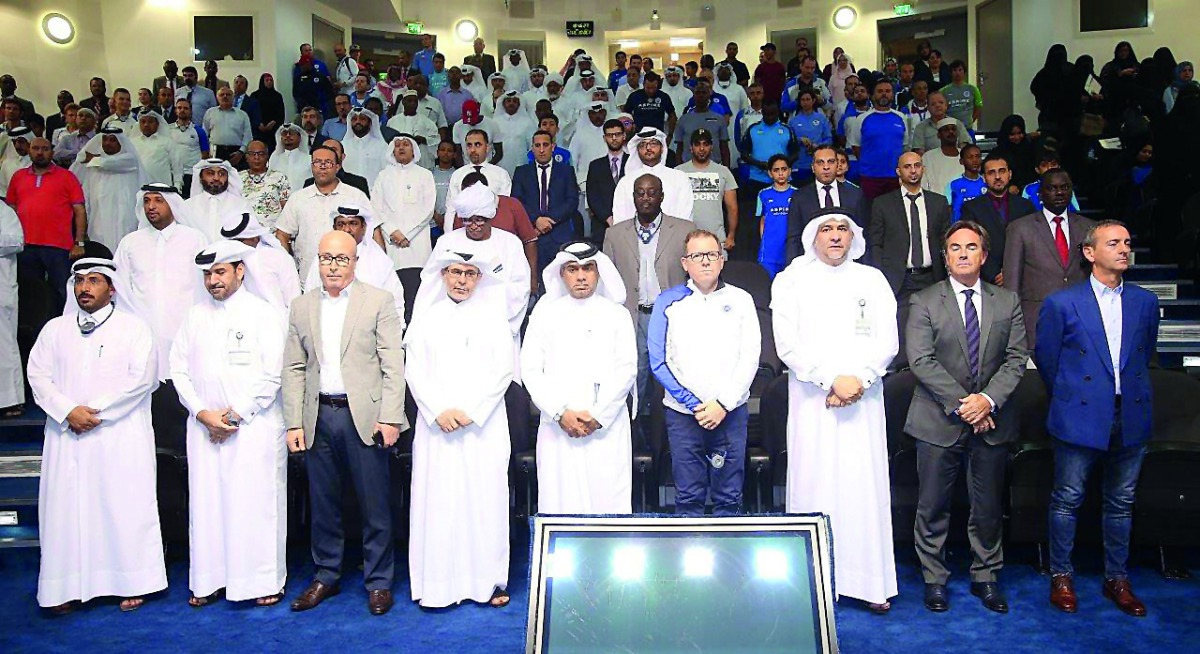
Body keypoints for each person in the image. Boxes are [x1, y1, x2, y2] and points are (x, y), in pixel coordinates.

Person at [772, 209, 898, 613]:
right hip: (813, 402)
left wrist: (857, 380)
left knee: (864, 486)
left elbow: (888, 342)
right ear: (812, 237)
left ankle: (869, 583)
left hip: (864, 399)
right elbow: (787, 345)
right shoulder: (792, 280)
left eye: (843, 228)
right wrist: (830, 380)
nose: (835, 236)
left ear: (853, 237)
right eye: (826, 229)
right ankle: (813, 584)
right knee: (816, 482)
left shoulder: (871, 280)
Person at [1034, 220, 1158, 618]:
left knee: (1121, 502)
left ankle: (1117, 578)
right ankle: (1062, 576)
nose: (1124, 248)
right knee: (1067, 499)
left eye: (1127, 241)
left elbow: (1145, 354)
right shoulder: (1062, 303)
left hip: (1131, 413)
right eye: (1113, 243)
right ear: (1089, 253)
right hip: (1079, 414)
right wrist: (1073, 398)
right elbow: (1048, 360)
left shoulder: (1145, 301)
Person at [29, 257, 166, 614]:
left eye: (93, 280)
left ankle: (131, 581)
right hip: (66, 434)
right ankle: (66, 587)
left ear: (112, 288)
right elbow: (38, 376)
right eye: (79, 281)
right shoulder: (54, 330)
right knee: (66, 510)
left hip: (118, 435)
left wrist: (95, 412)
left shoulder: (134, 328)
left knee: (121, 505)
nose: (84, 288)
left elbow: (143, 379)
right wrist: (67, 410)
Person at [906, 220, 1029, 614]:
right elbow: (921, 361)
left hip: (992, 420)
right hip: (938, 420)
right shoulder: (924, 300)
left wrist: (987, 401)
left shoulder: (1006, 300)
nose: (962, 254)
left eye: (971, 247)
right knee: (932, 504)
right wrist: (967, 405)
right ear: (944, 257)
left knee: (988, 505)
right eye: (955, 248)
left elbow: (1016, 359)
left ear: (984, 254)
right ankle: (934, 578)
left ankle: (986, 575)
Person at [284, 229, 405, 616]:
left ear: (355, 262)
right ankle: (326, 574)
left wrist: (390, 417)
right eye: (326, 258)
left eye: (341, 259)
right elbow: (294, 367)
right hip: (318, 416)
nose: (333, 266)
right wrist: (293, 423)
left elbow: (392, 365)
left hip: (366, 419)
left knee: (375, 505)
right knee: (323, 504)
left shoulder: (379, 301)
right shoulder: (301, 306)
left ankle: (380, 581)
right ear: (317, 261)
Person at [169, 240, 287, 608]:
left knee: (254, 506)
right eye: (207, 274)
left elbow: (273, 375)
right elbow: (178, 369)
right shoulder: (194, 316)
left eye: (219, 272)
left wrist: (233, 415)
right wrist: (204, 414)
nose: (212, 281)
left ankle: (262, 582)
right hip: (204, 428)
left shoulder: (264, 313)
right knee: (207, 506)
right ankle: (209, 580)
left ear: (240, 271)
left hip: (253, 429)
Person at [405, 248, 514, 609]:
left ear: (480, 278)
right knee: (438, 503)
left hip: (482, 427)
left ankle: (488, 583)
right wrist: (438, 410)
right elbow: (414, 371)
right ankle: (437, 586)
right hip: (437, 428)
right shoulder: (425, 318)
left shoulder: (493, 318)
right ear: (443, 275)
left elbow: (504, 371)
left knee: (484, 502)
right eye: (456, 273)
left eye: (470, 274)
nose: (462, 281)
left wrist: (472, 411)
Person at [649, 229, 759, 516]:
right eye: (697, 255)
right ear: (685, 263)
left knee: (728, 496)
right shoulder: (668, 302)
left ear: (722, 260)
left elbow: (749, 356)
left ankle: (729, 559)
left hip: (730, 412)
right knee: (688, 496)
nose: (705, 261)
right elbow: (659, 361)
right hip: (684, 415)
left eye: (711, 254)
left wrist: (722, 404)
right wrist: (695, 405)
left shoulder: (741, 300)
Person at [523, 242, 635, 514]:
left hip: (605, 427)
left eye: (588, 269)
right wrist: (561, 413)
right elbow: (530, 370)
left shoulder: (617, 315)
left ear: (599, 273)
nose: (581, 276)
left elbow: (627, 369)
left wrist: (598, 414)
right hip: (558, 427)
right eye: (573, 269)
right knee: (561, 504)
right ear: (562, 274)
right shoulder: (544, 313)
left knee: (608, 503)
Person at [112, 185, 206, 450]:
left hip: (183, 333)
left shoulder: (195, 239)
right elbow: (119, 288)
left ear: (173, 205)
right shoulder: (130, 242)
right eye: (147, 201)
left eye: (158, 200)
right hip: (144, 336)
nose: (151, 206)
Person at [603, 174, 690, 421]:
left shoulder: (684, 230)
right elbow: (607, 282)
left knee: (671, 374)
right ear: (633, 198)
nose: (646, 198)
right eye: (640, 193)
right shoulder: (615, 234)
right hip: (633, 316)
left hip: (670, 316)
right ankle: (635, 434)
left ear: (662, 196)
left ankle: (667, 436)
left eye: (652, 193)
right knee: (635, 375)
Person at [870, 151, 950, 366]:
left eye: (917, 165)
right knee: (900, 332)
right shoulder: (883, 204)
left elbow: (946, 243)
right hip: (899, 279)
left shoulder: (939, 203)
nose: (913, 170)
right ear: (899, 171)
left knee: (936, 330)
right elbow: (875, 244)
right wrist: (881, 277)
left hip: (932, 277)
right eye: (907, 166)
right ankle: (903, 377)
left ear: (923, 169)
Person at [1002, 169, 1092, 347]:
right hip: (1036, 319)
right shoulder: (1020, 228)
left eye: (1064, 187)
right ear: (1040, 194)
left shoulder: (1088, 227)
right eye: (1052, 188)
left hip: (1081, 317)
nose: (1059, 192)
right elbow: (1012, 283)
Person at [7, 137, 86, 316]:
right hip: (25, 246)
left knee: (62, 291)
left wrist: (79, 243)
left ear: (52, 151)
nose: (40, 153)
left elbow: (79, 210)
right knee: (30, 292)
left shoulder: (67, 177)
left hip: (58, 247)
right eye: (36, 148)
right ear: (29, 151)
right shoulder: (18, 176)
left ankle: (65, 326)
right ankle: (33, 331)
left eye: (45, 149)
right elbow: (10, 209)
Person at [275, 145, 371, 279]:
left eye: (328, 162)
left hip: (350, 277)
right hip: (307, 276)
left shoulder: (355, 196)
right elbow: (282, 234)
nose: (322, 166)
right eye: (317, 162)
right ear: (312, 166)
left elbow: (371, 232)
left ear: (337, 167)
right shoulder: (298, 198)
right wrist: (287, 267)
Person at [302, 205, 406, 324]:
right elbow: (310, 297)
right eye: (341, 224)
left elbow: (394, 301)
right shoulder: (321, 259)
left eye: (353, 223)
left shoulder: (380, 261)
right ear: (334, 228)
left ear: (364, 227)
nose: (347, 229)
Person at [512, 131, 579, 276]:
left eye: (545, 145)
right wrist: (536, 219)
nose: (541, 150)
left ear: (553, 147)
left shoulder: (566, 171)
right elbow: (517, 201)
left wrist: (548, 221)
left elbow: (572, 200)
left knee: (562, 279)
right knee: (534, 279)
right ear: (532, 148)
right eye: (537, 145)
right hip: (531, 233)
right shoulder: (521, 172)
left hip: (560, 233)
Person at [785, 145, 867, 261]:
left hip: (848, 265)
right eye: (820, 162)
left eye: (831, 162)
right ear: (813, 167)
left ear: (837, 165)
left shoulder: (855, 195)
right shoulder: (799, 197)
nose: (826, 167)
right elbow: (793, 238)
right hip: (812, 266)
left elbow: (863, 235)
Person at [960, 155, 1032, 286]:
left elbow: (1032, 244)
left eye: (1002, 171)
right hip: (987, 280)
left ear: (1010, 174)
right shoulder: (971, 208)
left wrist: (1012, 272)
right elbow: (972, 244)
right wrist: (993, 273)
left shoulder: (1026, 206)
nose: (997, 176)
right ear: (984, 178)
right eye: (991, 172)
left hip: (1023, 278)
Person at [71, 127, 144, 251]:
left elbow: (110, 163)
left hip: (124, 214)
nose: (107, 143)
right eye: (104, 139)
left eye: (112, 140)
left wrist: (93, 159)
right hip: (98, 215)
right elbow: (87, 191)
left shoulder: (129, 160)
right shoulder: (94, 165)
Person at [374, 135, 436, 272]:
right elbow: (376, 207)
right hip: (391, 240)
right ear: (392, 151)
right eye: (397, 145)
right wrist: (392, 231)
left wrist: (407, 234)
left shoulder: (425, 175)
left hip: (418, 241)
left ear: (414, 150)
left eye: (406, 144)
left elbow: (428, 209)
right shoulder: (383, 176)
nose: (401, 147)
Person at [220, 210, 302, 311]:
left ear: (254, 237)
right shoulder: (228, 262)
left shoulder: (279, 258)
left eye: (240, 241)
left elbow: (293, 299)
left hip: (276, 321)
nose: (235, 246)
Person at [611, 128, 693, 224]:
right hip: (633, 237)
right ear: (637, 150)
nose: (648, 148)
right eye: (643, 145)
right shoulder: (626, 182)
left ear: (662, 148)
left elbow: (685, 216)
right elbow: (620, 219)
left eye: (653, 143)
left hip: (672, 237)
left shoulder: (679, 178)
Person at [677, 129, 738, 251]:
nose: (701, 148)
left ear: (711, 147)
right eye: (697, 144)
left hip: (717, 239)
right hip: (686, 239)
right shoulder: (678, 172)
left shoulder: (724, 172)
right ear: (691, 147)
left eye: (705, 144)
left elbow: (732, 208)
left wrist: (731, 236)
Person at [847, 79, 908, 200]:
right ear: (873, 95)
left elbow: (905, 146)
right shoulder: (862, 119)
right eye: (880, 91)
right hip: (870, 177)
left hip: (895, 176)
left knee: (893, 215)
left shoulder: (901, 118)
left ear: (892, 94)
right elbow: (856, 146)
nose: (884, 94)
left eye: (887, 91)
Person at [443, 130, 512, 225]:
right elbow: (451, 209)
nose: (472, 150)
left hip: (493, 230)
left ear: (487, 148)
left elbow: (504, 209)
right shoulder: (457, 175)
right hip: (463, 231)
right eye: (469, 145)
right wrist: (449, 236)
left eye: (478, 145)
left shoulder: (501, 174)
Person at [585, 119, 629, 244]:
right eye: (610, 135)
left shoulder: (633, 163)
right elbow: (592, 196)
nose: (614, 138)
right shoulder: (595, 165)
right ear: (604, 138)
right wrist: (608, 218)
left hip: (629, 222)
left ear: (624, 136)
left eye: (618, 134)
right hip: (602, 224)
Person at [184, 158, 248, 242]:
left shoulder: (241, 205)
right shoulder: (187, 206)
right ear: (200, 177)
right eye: (210, 173)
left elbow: (251, 236)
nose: (216, 178)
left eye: (222, 174)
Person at [756, 154, 796, 277]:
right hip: (769, 250)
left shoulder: (797, 194)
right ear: (770, 173)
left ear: (789, 171)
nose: (780, 173)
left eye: (784, 169)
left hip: (790, 249)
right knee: (768, 285)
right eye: (776, 170)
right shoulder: (763, 194)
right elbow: (762, 220)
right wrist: (764, 242)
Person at [673, 80, 730, 165]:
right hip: (688, 168)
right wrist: (677, 170)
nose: (701, 95)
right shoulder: (684, 120)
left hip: (714, 167)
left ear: (709, 94)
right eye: (698, 93)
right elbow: (679, 148)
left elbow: (724, 147)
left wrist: (726, 170)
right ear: (694, 95)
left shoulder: (719, 119)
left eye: (704, 93)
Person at [239, 141, 290, 231]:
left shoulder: (279, 177)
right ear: (246, 157)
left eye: (261, 154)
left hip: (272, 232)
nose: (256, 157)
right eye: (252, 154)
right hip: (245, 232)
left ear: (267, 156)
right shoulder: (237, 178)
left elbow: (286, 209)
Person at [0, 199, 21, 416]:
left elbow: (16, 241)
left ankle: (10, 401)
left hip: (1, 288)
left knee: (4, 344)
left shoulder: (2, 210)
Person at [786, 88, 832, 184]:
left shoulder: (821, 118)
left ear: (813, 100)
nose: (805, 102)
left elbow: (829, 138)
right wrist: (799, 140)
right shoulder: (793, 121)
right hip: (799, 164)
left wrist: (818, 146)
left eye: (808, 99)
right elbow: (788, 141)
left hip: (818, 163)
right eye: (803, 100)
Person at [167, 99, 210, 197]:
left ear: (191, 111)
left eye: (186, 108)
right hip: (172, 174)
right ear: (175, 110)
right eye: (179, 108)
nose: (182, 110)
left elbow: (205, 154)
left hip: (191, 174)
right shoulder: (167, 130)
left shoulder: (199, 131)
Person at [389, 90, 443, 167]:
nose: (413, 104)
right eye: (410, 101)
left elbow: (437, 140)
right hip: (398, 163)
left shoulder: (427, 122)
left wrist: (424, 140)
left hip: (421, 162)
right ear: (403, 102)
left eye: (415, 101)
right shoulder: (393, 121)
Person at [341, 107, 388, 187]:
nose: (357, 122)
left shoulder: (381, 146)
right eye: (354, 119)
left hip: (374, 193)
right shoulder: (343, 146)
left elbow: (386, 172)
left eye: (362, 119)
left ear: (370, 123)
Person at [494, 91, 538, 176]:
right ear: (503, 104)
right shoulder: (495, 122)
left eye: (514, 101)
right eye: (508, 101)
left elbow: (532, 146)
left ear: (519, 104)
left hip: (521, 165)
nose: (511, 103)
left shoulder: (528, 123)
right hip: (499, 166)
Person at [129, 111, 174, 187]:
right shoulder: (132, 143)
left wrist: (177, 185)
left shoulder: (167, 142)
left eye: (150, 122)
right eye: (143, 122)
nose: (146, 125)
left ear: (157, 124)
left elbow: (176, 166)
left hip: (161, 187)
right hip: (137, 186)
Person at [452, 100, 504, 166]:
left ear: (478, 111)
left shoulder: (492, 124)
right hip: (467, 165)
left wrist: (487, 167)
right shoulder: (457, 126)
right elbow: (458, 153)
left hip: (487, 165)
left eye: (472, 118)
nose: (470, 122)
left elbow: (499, 153)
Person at [921, 118, 964, 196]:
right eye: (946, 130)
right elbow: (924, 184)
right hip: (937, 203)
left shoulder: (965, 155)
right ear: (939, 135)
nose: (951, 132)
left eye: (953, 129)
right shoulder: (928, 157)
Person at [945, 144, 986, 222]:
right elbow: (947, 209)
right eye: (970, 157)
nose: (975, 160)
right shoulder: (953, 184)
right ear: (961, 161)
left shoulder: (986, 182)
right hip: (960, 229)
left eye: (977, 156)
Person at [269, 123, 311, 193]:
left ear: (300, 137)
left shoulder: (309, 159)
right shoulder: (274, 159)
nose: (288, 136)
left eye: (291, 133)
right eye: (284, 133)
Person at [943, 61, 982, 134]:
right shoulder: (943, 91)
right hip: (950, 130)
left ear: (964, 72)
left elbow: (978, 107)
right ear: (951, 73)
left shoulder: (973, 89)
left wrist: (970, 121)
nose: (957, 73)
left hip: (968, 129)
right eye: (954, 70)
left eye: (960, 70)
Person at [251, 74, 285, 151]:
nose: (269, 82)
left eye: (271, 80)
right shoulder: (255, 95)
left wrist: (273, 123)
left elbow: (281, 113)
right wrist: (259, 124)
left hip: (273, 130)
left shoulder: (277, 96)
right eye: (267, 80)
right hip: (258, 131)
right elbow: (252, 113)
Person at [754, 43, 787, 108]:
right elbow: (757, 83)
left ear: (774, 51)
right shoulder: (760, 67)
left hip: (777, 99)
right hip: (764, 99)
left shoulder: (780, 67)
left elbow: (783, 81)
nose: (766, 52)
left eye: (768, 50)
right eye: (765, 51)